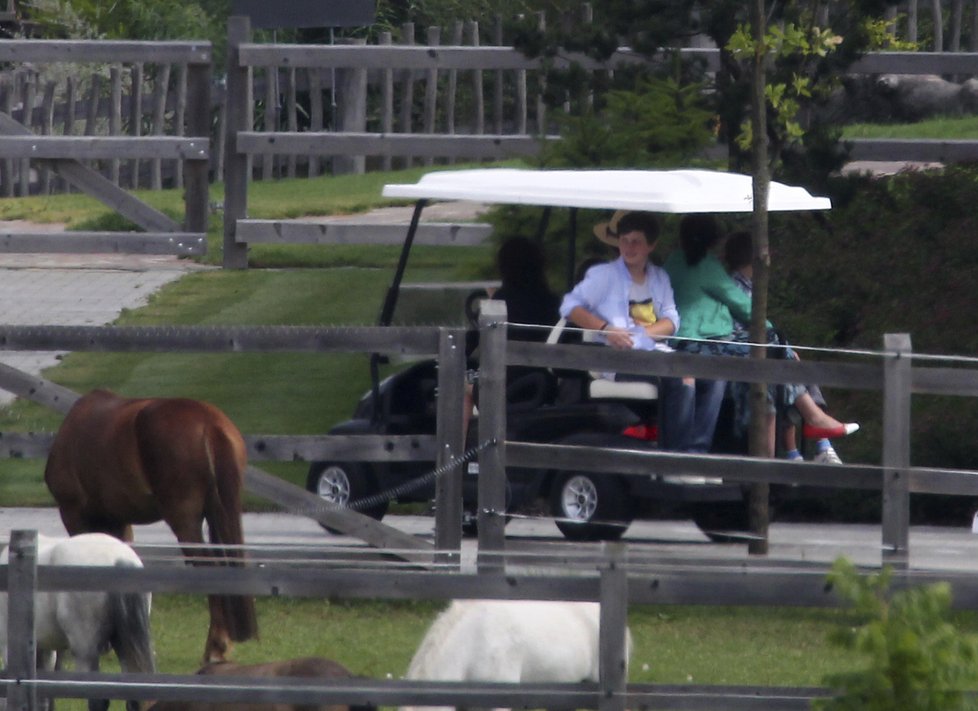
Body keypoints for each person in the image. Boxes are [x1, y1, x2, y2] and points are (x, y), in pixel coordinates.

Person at [723, 230, 855, 463]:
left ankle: (815, 439)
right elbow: (740, 331)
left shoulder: (747, 286)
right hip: (741, 358)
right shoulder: (736, 288)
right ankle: (814, 430)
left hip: (755, 353)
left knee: (789, 363)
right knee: (784, 367)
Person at [558, 210, 683, 445]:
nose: (629, 247)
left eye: (636, 241)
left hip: (653, 353)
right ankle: (675, 455)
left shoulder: (660, 277)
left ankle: (696, 450)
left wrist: (640, 334)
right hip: (615, 357)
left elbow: (672, 321)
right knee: (680, 379)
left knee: (711, 379)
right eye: (624, 241)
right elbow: (570, 306)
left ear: (651, 245)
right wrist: (606, 329)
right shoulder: (603, 275)